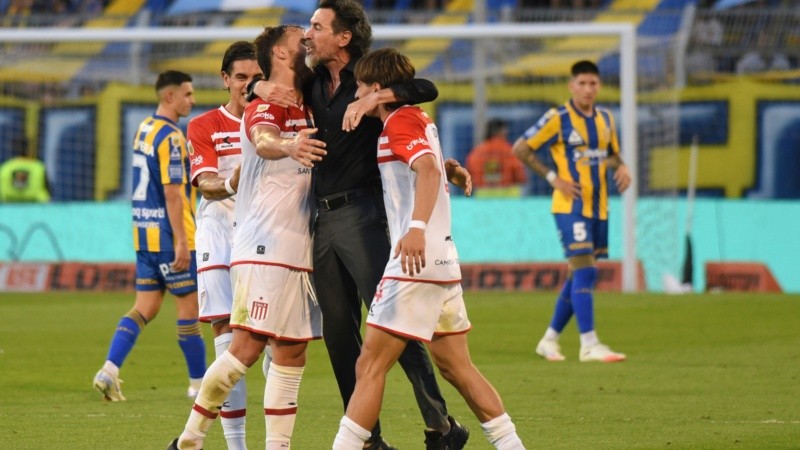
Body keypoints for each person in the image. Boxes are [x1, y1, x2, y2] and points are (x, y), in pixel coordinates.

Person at [250, 1, 472, 449]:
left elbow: (424, 87)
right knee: (338, 331)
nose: (309, 34)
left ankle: (441, 425)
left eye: (317, 26)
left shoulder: (368, 77)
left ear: (343, 36)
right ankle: (368, 438)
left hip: (364, 213)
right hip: (321, 217)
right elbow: (252, 82)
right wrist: (257, 83)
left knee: (393, 322)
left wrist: (375, 96)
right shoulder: (313, 83)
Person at [332, 47, 525, 450]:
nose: (357, 94)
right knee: (457, 366)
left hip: (413, 261)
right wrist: (445, 164)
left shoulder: (398, 121)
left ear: (378, 89)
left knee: (369, 366)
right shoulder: (419, 119)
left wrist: (416, 226)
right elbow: (429, 164)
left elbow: (427, 169)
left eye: (362, 87)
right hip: (442, 261)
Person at [170, 24, 326, 450]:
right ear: (279, 52)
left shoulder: (310, 96)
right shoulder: (262, 103)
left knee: (293, 353)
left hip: (299, 243)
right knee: (243, 347)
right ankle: (193, 437)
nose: (309, 38)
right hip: (261, 242)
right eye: (301, 35)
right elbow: (262, 139)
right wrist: (289, 145)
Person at [93, 70, 206, 400]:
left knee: (145, 308)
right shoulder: (172, 138)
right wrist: (183, 241)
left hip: (144, 236)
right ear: (169, 97)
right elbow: (173, 194)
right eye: (187, 94)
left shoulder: (144, 129)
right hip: (171, 239)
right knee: (189, 313)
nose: (193, 100)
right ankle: (199, 387)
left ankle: (109, 370)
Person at [512, 60, 631, 363]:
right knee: (587, 270)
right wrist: (554, 178)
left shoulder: (605, 118)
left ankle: (549, 340)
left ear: (599, 86)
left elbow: (611, 155)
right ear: (571, 85)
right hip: (569, 206)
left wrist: (623, 167)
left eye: (593, 83)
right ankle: (589, 343)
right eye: (582, 83)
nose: (588, 89)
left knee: (576, 274)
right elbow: (521, 148)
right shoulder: (558, 117)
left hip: (598, 206)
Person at [186, 40, 266, 449]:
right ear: (225, 80)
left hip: (267, 236)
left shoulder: (277, 121)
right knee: (225, 337)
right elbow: (205, 183)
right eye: (241, 77)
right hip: (220, 234)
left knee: (272, 342)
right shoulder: (204, 126)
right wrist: (233, 181)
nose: (248, 85)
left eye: (256, 77)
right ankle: (237, 446)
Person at [465, 117, 527, 198]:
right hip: (509, 197)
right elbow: (520, 176)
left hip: (483, 196)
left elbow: (468, 176)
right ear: (502, 132)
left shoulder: (476, 152)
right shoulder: (510, 151)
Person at [0, 135, 51, 202]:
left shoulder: (4, 168)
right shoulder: (38, 167)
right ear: (28, 150)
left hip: (9, 207)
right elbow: (49, 191)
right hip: (36, 208)